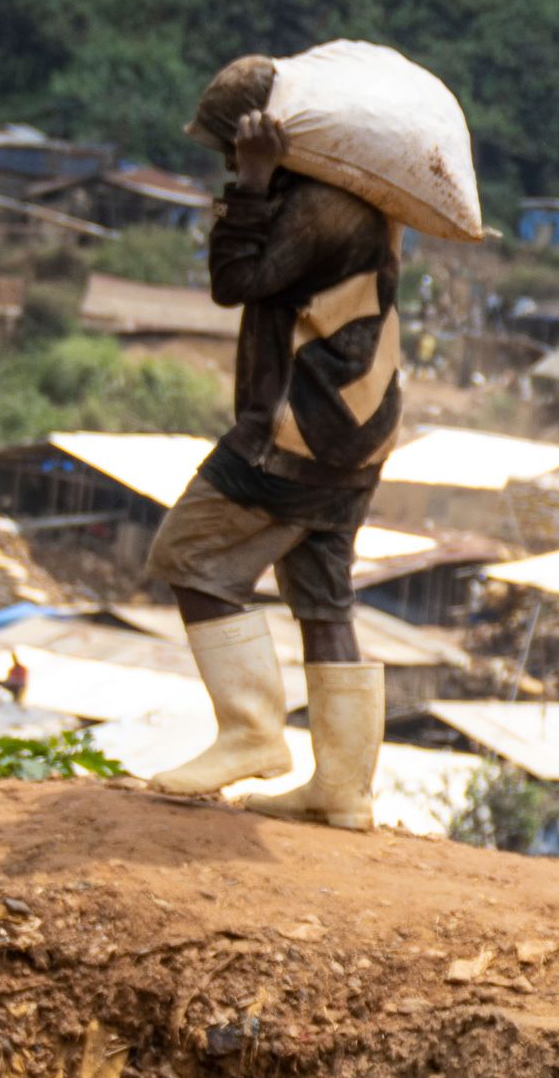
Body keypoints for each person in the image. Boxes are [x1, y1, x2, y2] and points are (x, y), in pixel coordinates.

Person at [140, 55, 407, 829]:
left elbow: (236, 281)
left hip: (298, 427)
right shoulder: (363, 199)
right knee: (324, 599)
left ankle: (252, 733)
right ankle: (344, 789)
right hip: (360, 427)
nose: (227, 159)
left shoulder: (320, 207)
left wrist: (251, 187)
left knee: (190, 557)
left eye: (234, 145)